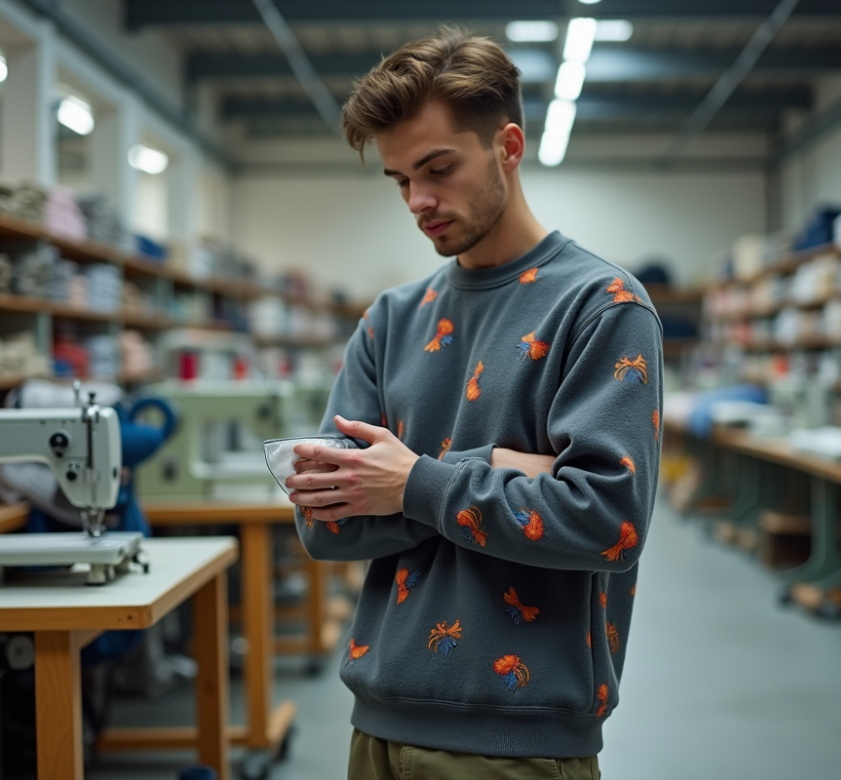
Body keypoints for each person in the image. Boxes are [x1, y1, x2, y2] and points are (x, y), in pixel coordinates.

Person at [285, 27, 663, 780]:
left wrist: (410, 482)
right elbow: (321, 522)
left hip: (519, 740)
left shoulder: (602, 306)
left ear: (508, 146)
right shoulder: (391, 319)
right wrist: (501, 468)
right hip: (378, 719)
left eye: (438, 168)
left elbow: (609, 522)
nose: (419, 201)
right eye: (399, 180)